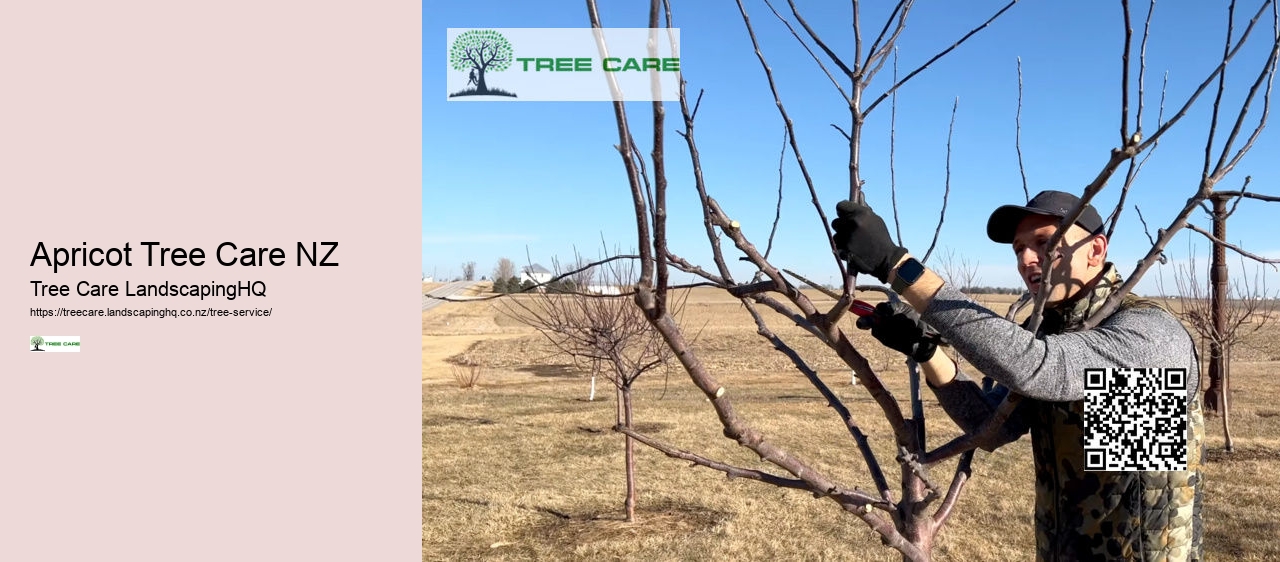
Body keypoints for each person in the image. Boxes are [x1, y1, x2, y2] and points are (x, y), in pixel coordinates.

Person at [831, 190, 1204, 562]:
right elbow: (994, 426)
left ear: (1095, 250)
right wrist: (927, 352)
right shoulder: (1052, 333)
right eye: (1018, 249)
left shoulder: (1147, 333)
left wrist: (898, 267)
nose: (1026, 259)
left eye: (1044, 243)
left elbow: (1042, 367)